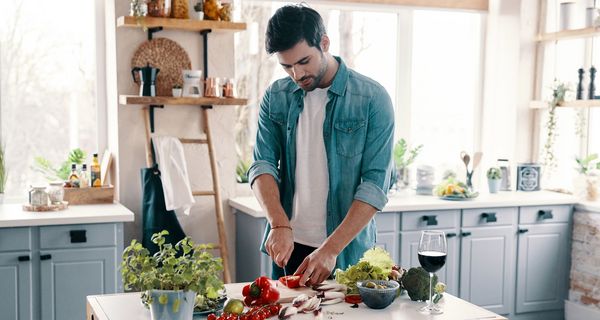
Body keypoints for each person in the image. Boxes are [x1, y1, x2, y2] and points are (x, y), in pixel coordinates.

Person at [248, 4, 395, 287]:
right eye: (286, 66)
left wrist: (330, 249)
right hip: (289, 245)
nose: (296, 74)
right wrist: (279, 223)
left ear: (324, 43)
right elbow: (262, 164)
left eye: (304, 61)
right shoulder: (275, 96)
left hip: (345, 249)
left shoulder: (372, 99)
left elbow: (376, 184)